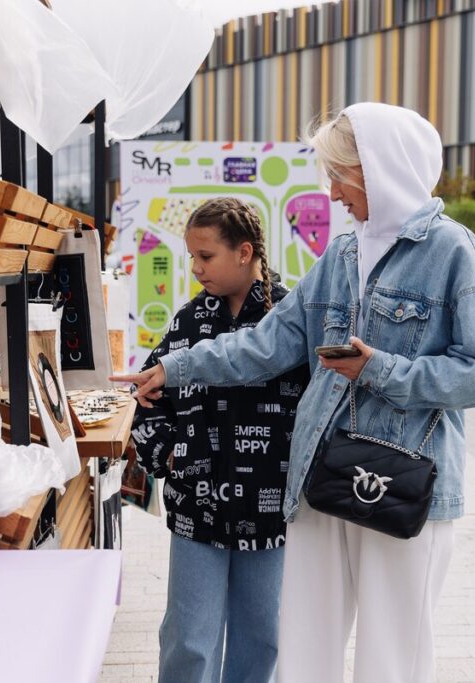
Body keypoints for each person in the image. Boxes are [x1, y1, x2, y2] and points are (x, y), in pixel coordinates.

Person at [113, 103, 475, 683]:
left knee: (393, 653)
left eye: (340, 175)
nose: (331, 192)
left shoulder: (454, 252)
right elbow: (263, 344)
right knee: (302, 645)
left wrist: (381, 370)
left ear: (380, 169)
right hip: (321, 476)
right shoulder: (342, 255)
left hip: (400, 482)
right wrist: (174, 369)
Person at [130, 197, 309, 683]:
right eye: (191, 257)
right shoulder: (187, 323)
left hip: (271, 511)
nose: (195, 268)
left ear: (244, 252)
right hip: (196, 511)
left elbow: (320, 408)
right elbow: (147, 403)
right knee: (189, 640)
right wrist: (171, 456)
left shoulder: (293, 321)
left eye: (205, 257)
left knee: (264, 638)